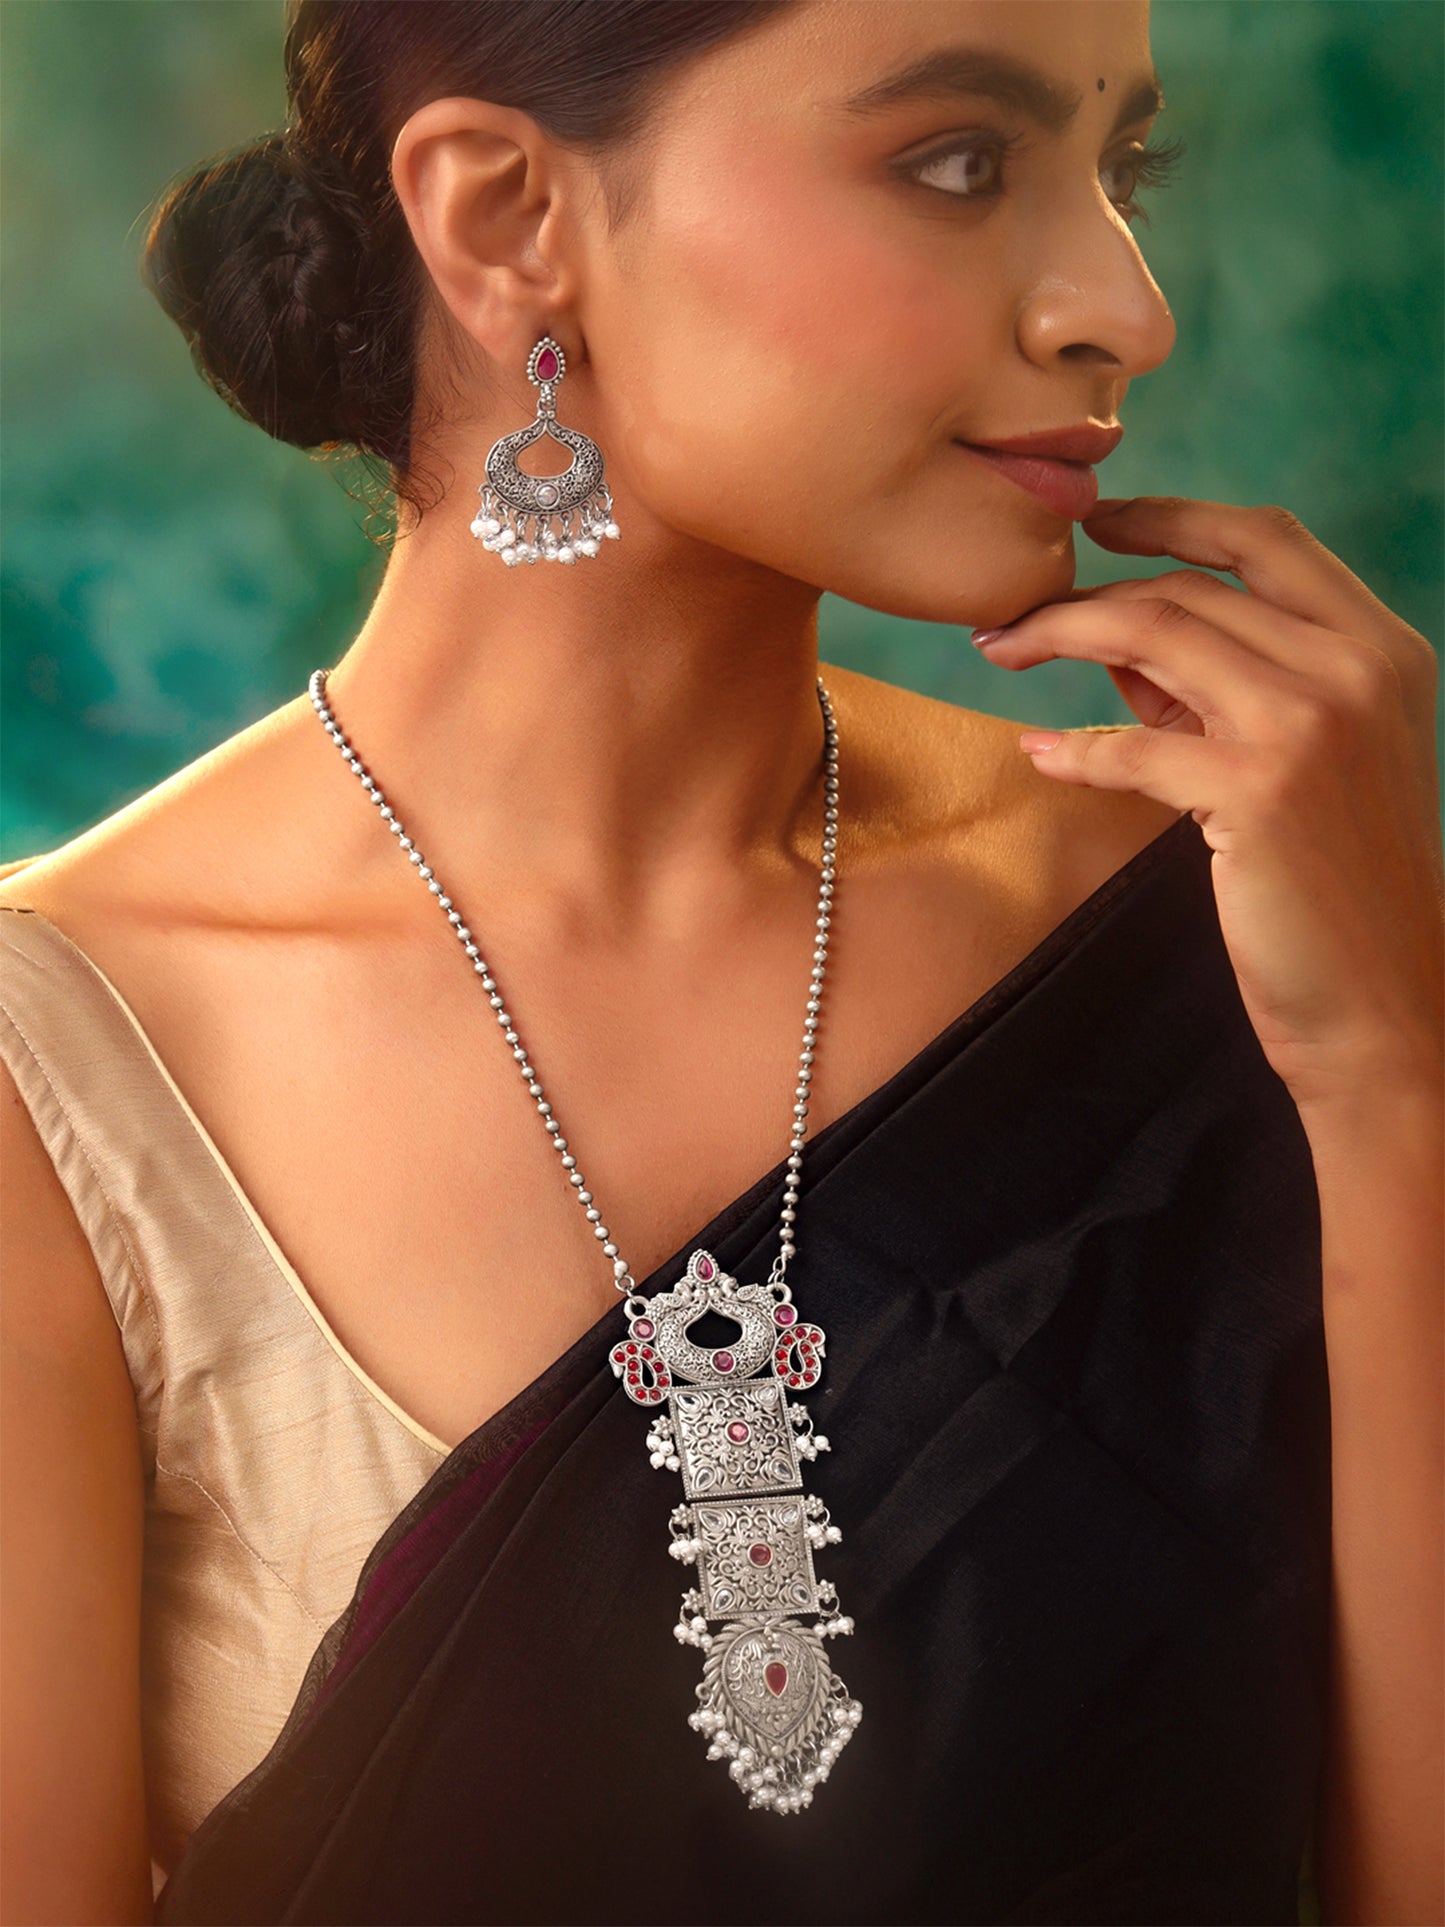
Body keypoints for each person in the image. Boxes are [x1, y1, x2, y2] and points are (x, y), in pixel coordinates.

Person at [2, 0, 1440, 1921]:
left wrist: (1394, 1083)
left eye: (1122, 171)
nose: (1127, 308)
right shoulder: (72, 1070)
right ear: (506, 217)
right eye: (958, 163)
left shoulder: (1217, 921)